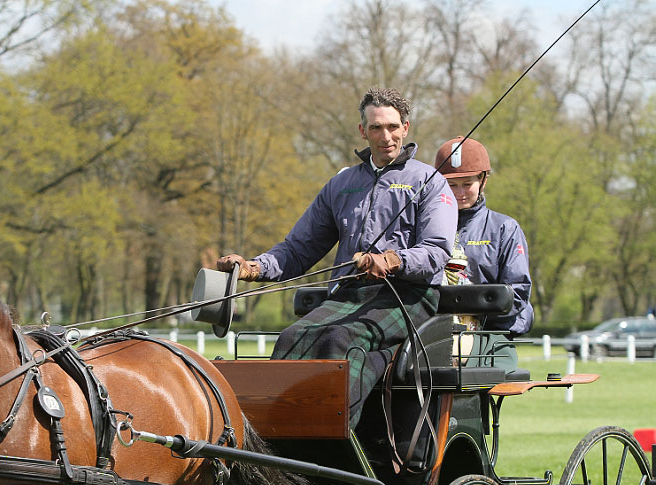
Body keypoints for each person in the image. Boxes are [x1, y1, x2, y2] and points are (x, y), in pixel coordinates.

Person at [216, 87, 457, 428]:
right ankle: (270, 437)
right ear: (363, 131)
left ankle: (329, 443)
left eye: (392, 127)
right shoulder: (342, 184)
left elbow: (436, 251)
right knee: (290, 337)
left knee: (339, 339)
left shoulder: (429, 182)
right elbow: (299, 248)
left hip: (409, 297)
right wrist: (254, 268)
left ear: (405, 127)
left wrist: (390, 260)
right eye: (376, 128)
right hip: (348, 295)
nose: (385, 136)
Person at [434, 136, 534, 370]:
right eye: (451, 185)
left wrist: (472, 311)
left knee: (480, 375)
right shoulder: (426, 227)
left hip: (491, 334)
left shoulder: (505, 229)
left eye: (467, 184)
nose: (459, 193)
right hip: (436, 333)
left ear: (483, 180)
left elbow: (517, 293)